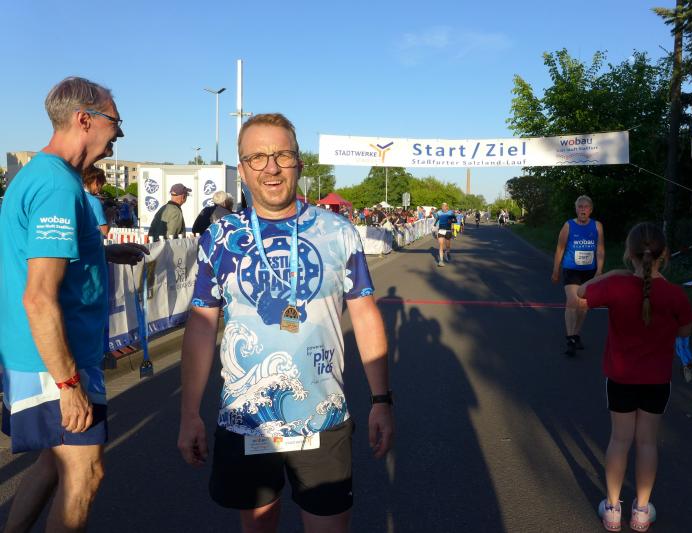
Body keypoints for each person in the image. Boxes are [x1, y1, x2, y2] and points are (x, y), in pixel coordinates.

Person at [178, 113, 394, 533]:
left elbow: (365, 315)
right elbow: (202, 326)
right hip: (247, 419)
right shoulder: (220, 238)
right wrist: (189, 413)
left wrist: (382, 400)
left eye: (282, 155)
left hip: (323, 419)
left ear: (299, 163)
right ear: (242, 170)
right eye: (257, 157)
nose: (271, 167)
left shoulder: (338, 232)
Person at [0, 76, 147, 532]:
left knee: (53, 464)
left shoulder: (45, 176)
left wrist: (104, 252)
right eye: (115, 122)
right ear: (85, 119)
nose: (119, 134)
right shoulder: (57, 186)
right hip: (54, 363)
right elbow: (39, 296)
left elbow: (39, 257)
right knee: (85, 473)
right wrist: (68, 383)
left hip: (45, 356)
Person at [575, 222, 692, 532]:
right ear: (664, 254)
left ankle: (612, 509)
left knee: (619, 440)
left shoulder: (616, 286)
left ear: (629, 253)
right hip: (656, 380)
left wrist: (611, 273)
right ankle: (641, 511)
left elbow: (581, 293)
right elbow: (684, 330)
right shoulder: (675, 295)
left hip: (620, 378)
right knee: (647, 443)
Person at [551, 195, 605, 356]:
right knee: (573, 301)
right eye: (580, 207)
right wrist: (556, 270)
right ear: (576, 209)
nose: (583, 210)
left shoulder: (597, 226)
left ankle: (575, 334)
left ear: (591, 210)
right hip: (571, 268)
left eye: (586, 207)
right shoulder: (568, 225)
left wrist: (599, 270)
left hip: (589, 270)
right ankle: (570, 339)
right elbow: (560, 248)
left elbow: (600, 249)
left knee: (583, 305)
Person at [82, 165, 110, 236]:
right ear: (96, 182)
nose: (101, 188)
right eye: (102, 184)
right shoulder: (94, 201)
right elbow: (104, 231)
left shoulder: (74, 196)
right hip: (90, 241)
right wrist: (110, 216)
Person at [434, 202, 456, 267]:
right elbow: (437, 220)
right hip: (441, 230)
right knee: (441, 245)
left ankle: (448, 253)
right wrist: (435, 227)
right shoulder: (439, 213)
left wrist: (451, 222)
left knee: (447, 246)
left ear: (447, 207)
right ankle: (441, 261)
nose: (443, 207)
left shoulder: (451, 213)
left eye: (444, 206)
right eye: (442, 206)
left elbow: (455, 220)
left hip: (448, 230)